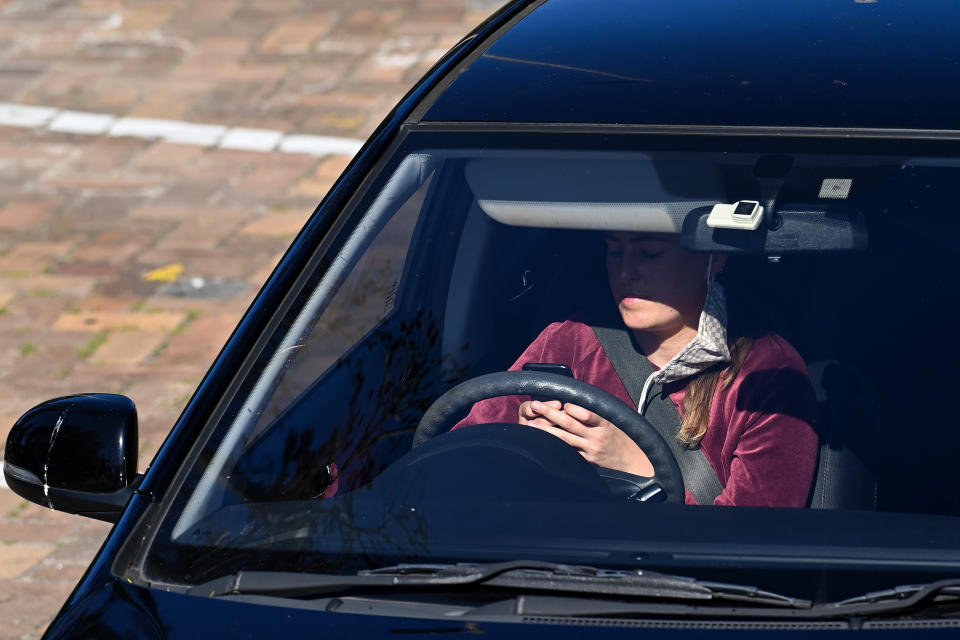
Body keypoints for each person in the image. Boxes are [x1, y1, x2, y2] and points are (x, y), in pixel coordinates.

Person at [453, 230, 819, 507]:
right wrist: (515, 443)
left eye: (650, 252)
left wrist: (640, 469)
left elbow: (753, 543)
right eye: (614, 251)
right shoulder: (569, 339)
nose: (626, 271)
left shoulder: (767, 375)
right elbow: (460, 457)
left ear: (714, 256)